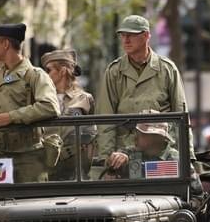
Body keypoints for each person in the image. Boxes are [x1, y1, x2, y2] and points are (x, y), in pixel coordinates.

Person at [0, 23, 60, 183]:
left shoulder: (35, 76)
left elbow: (50, 106)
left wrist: (11, 117)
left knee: (28, 206)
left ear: (6, 44)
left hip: (27, 159)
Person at [95, 14, 193, 168]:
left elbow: (181, 116)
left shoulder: (167, 69)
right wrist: (106, 160)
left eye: (131, 35)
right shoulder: (114, 72)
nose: (126, 40)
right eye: (123, 35)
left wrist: (188, 157)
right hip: (123, 154)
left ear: (146, 36)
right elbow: (105, 119)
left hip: (160, 152)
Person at [41, 48, 96, 180]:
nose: (45, 75)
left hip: (75, 168)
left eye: (49, 70)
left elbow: (92, 135)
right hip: (45, 166)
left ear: (63, 71)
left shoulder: (84, 98)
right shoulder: (41, 98)